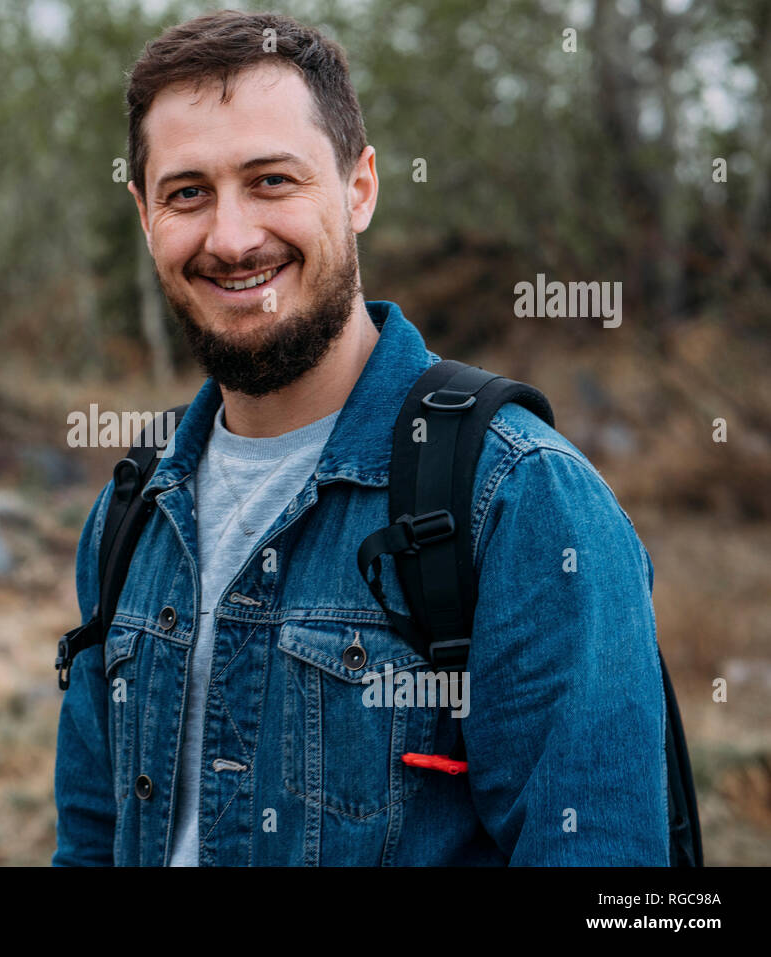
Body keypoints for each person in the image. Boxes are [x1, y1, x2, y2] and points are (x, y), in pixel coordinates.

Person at [52, 9, 668, 866]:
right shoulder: (128, 519)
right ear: (145, 215)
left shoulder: (520, 500)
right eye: (187, 192)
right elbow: (89, 844)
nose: (230, 238)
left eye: (272, 180)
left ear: (361, 187)